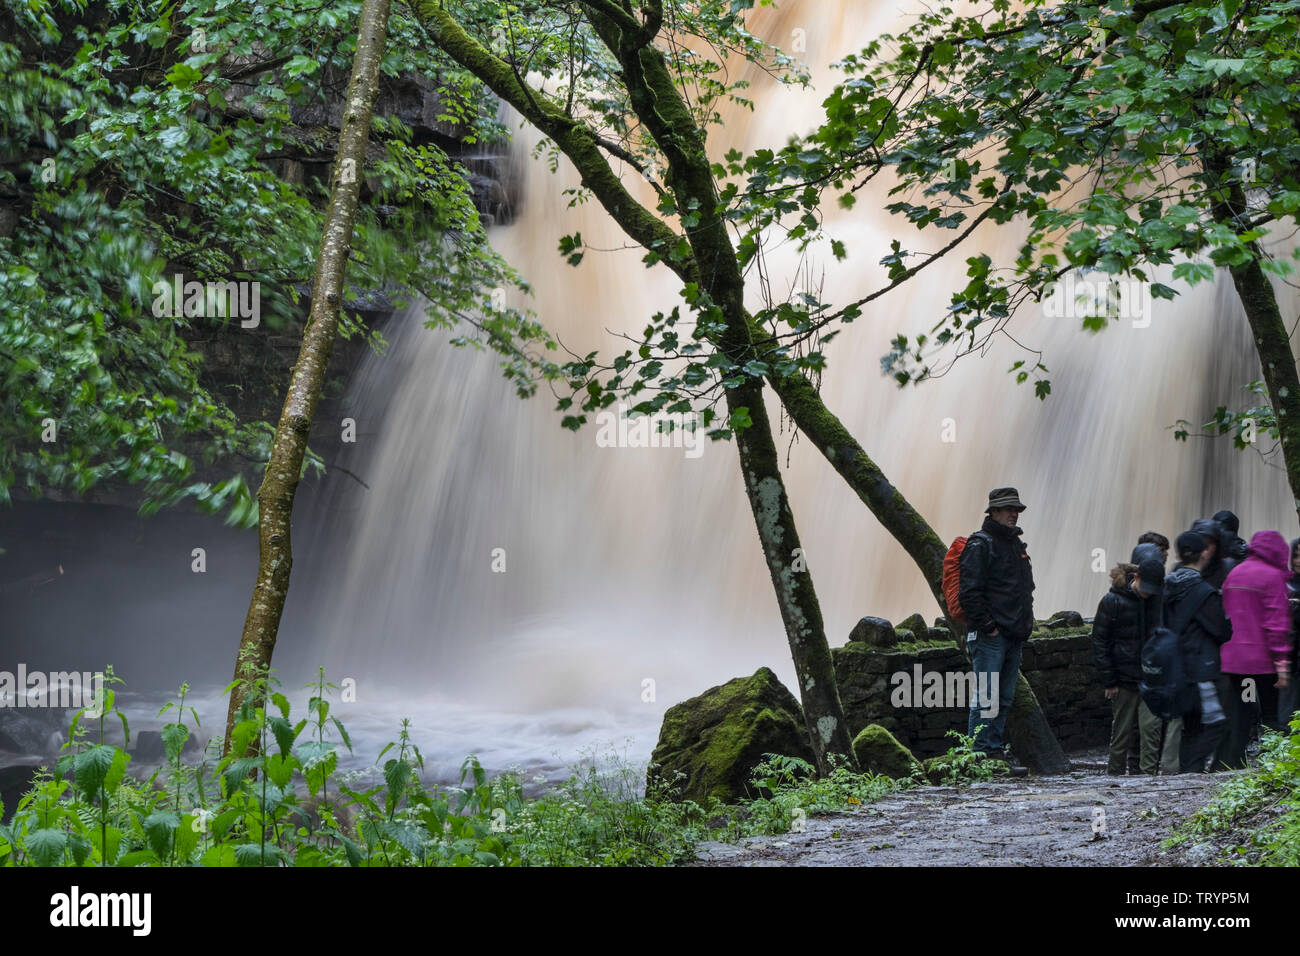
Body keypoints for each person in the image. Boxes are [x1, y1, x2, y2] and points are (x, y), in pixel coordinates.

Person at [958, 487, 1035, 759]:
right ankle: (980, 755)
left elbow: (1024, 588)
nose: (1014, 514)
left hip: (1013, 634)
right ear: (993, 512)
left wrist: (1024, 626)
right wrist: (989, 626)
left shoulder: (1014, 545)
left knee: (1003, 698)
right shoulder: (981, 544)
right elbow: (969, 593)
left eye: (1016, 509)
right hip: (991, 636)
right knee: (986, 698)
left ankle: (993, 751)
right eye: (1008, 509)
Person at [1218, 530, 1293, 768]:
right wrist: (1281, 664)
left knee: (1243, 710)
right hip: (1262, 662)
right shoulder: (1272, 577)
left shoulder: (1235, 573)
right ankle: (1273, 762)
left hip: (1235, 661)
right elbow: (1276, 623)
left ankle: (1234, 763)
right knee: (1271, 713)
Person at [1163, 530, 1232, 773]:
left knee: (1190, 725)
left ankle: (1186, 772)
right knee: (1214, 723)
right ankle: (1192, 772)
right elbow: (1221, 630)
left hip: (1175, 669)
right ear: (1204, 553)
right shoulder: (1203, 592)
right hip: (1200, 668)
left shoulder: (1168, 586)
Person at [1092, 550, 1165, 774]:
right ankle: (1114, 775)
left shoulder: (1157, 600)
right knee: (1121, 733)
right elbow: (1100, 642)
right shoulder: (1112, 601)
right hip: (1122, 679)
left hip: (1151, 678)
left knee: (1151, 730)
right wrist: (1109, 680)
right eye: (1146, 589)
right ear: (1136, 578)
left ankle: (1148, 777)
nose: (1147, 594)